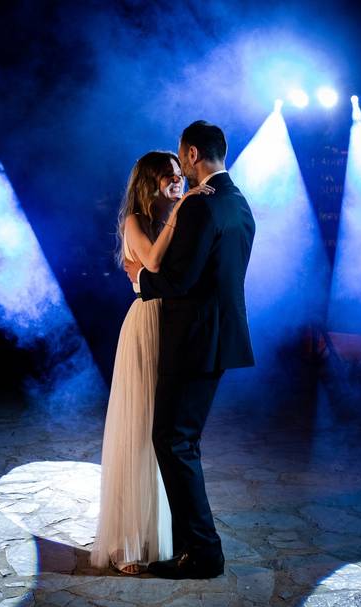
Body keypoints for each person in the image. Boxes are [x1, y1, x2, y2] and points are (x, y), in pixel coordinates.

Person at [124, 121, 255, 579]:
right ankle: (189, 547)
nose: (181, 167)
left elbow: (179, 278)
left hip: (194, 337)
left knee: (173, 441)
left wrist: (139, 280)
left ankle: (203, 553)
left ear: (194, 153)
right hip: (220, 337)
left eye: (182, 158)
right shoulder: (239, 203)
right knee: (182, 440)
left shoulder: (204, 206)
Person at [91, 150, 214, 575]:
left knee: (166, 432)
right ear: (151, 180)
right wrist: (182, 207)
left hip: (175, 326)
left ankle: (165, 535)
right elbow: (155, 263)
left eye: (180, 174)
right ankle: (130, 542)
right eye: (170, 176)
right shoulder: (136, 222)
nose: (178, 180)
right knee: (141, 429)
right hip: (147, 325)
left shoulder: (172, 219)